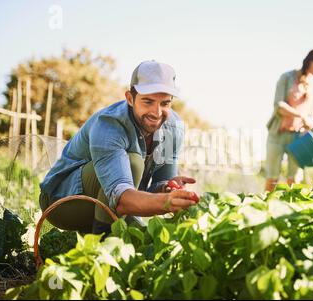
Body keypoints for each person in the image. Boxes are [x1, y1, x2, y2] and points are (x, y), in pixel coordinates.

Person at [39, 60, 197, 234]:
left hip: (114, 201)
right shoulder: (109, 125)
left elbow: (158, 185)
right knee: (133, 162)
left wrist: (167, 188)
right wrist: (166, 202)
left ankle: (101, 239)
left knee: (145, 242)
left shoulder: (172, 129)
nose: (157, 112)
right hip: (62, 202)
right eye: (148, 102)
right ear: (130, 98)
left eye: (165, 103)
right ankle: (100, 248)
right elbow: (120, 197)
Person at [265, 49, 313, 191]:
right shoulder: (286, 78)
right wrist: (300, 116)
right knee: (272, 178)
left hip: (298, 138)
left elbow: (311, 117)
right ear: (311, 61)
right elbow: (279, 106)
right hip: (277, 134)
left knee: (294, 179)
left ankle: (291, 210)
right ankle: (265, 208)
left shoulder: (312, 86)